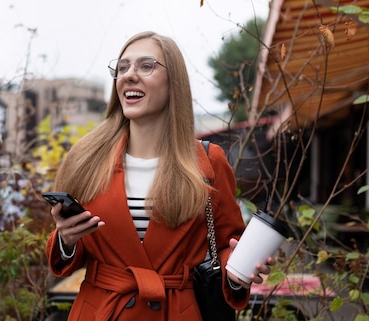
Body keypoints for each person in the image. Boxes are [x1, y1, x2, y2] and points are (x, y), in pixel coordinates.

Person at [45, 31, 272, 320]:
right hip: (101, 310)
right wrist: (66, 239)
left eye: (145, 66)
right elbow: (64, 252)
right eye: (123, 67)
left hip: (176, 311)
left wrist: (240, 270)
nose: (129, 75)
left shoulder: (207, 161)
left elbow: (229, 245)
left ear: (173, 82)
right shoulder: (86, 157)